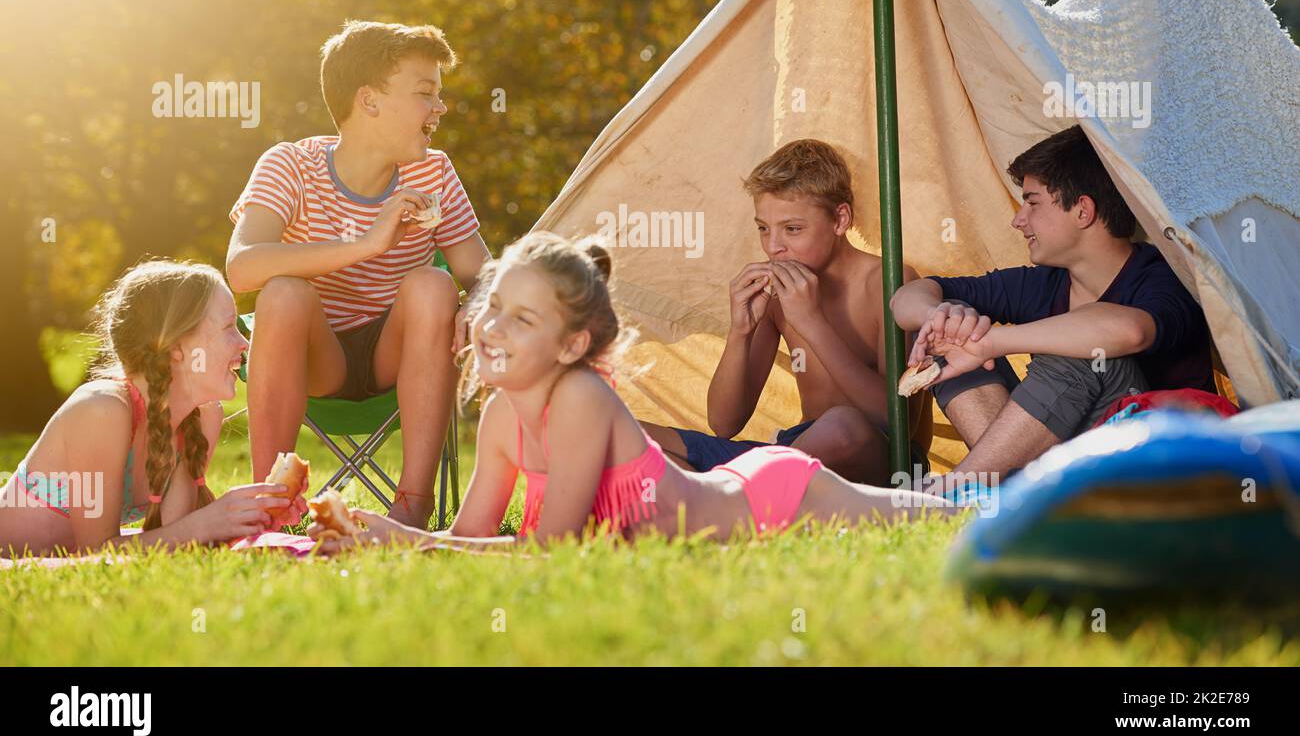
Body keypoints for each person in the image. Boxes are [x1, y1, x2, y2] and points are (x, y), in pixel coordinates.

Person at [310, 232, 951, 555]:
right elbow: (469, 535)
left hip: (774, 499)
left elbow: (550, 553)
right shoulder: (502, 416)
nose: (492, 329)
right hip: (741, 482)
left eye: (522, 320)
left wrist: (404, 539)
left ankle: (1025, 496)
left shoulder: (582, 400)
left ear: (569, 348)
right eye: (493, 306)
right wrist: (382, 540)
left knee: (946, 520)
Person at [226, 21, 490, 529]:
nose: (440, 108)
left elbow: (481, 275)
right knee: (282, 293)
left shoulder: (432, 173)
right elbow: (242, 269)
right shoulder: (290, 166)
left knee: (434, 285)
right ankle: (271, 506)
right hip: (317, 359)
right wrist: (365, 244)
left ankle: (411, 507)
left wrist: (482, 303)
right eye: (425, 94)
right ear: (369, 101)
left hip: (399, 357)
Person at [890, 125, 1215, 492]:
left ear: (1082, 210)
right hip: (1067, 470)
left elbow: (1129, 330)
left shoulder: (1163, 275)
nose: (1018, 219)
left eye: (1032, 202)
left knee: (1083, 351)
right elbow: (907, 298)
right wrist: (941, 319)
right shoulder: (1045, 282)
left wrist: (991, 342)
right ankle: (1010, 492)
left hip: (1161, 467)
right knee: (947, 328)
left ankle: (961, 489)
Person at [641, 139, 931, 484]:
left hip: (883, 461)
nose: (774, 246)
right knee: (634, 434)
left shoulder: (891, 284)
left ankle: (733, 491)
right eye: (763, 228)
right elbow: (724, 422)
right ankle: (743, 488)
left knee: (842, 424)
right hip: (800, 451)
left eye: (792, 229)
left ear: (840, 219)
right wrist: (740, 332)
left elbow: (893, 421)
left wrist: (811, 322)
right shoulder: (778, 295)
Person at [0, 260, 301, 557]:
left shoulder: (204, 416)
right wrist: (206, 523)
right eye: (228, 327)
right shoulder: (101, 411)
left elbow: (172, 540)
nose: (244, 343)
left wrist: (255, 515)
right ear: (176, 348)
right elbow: (97, 552)